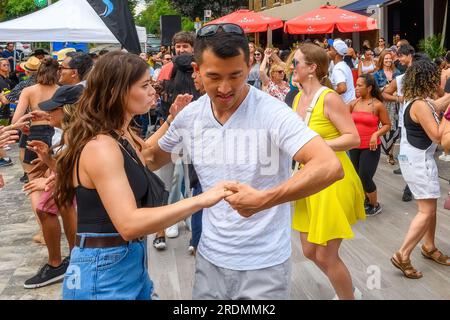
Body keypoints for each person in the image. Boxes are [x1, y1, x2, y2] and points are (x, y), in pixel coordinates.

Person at [144, 23, 343, 300]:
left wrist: (265, 199)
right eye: (214, 77)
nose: (225, 88)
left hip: (264, 265)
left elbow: (329, 166)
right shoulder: (190, 116)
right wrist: (168, 119)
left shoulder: (272, 112)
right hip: (210, 259)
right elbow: (151, 159)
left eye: (236, 75)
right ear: (196, 70)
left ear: (249, 65)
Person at [53, 51, 232, 300]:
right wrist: (202, 200)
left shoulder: (119, 132)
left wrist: (171, 120)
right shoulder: (101, 146)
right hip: (103, 271)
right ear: (117, 91)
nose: (153, 91)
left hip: (125, 261)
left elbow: (144, 156)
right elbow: (129, 224)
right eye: (145, 85)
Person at [291, 43, 365, 300]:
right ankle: (347, 289)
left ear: (312, 68)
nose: (292, 68)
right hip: (308, 179)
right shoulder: (299, 97)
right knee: (310, 251)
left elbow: (353, 138)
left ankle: (348, 297)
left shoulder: (329, 97)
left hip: (333, 179)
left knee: (325, 254)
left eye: (296, 63)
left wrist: (317, 146)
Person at [391, 56, 450, 279]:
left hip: (412, 158)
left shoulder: (415, 100)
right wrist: (448, 116)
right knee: (426, 211)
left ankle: (429, 246)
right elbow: (437, 135)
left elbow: (436, 104)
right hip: (419, 162)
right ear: (429, 79)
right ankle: (402, 254)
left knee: (429, 205)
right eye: (436, 78)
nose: (439, 82)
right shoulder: (420, 105)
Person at [22, 85, 83, 289]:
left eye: (53, 109)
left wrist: (49, 165)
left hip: (67, 182)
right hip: (63, 180)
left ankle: (58, 263)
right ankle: (70, 259)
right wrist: (48, 160)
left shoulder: (77, 135)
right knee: (62, 208)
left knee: (46, 209)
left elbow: (72, 170)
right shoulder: (72, 130)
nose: (49, 113)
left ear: (67, 110)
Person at [349, 74, 391, 216]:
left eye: (360, 85)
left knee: (365, 177)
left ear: (369, 88)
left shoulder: (377, 105)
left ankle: (375, 205)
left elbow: (387, 125)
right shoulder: (353, 103)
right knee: (356, 177)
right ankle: (365, 200)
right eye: (356, 84)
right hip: (354, 145)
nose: (357, 87)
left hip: (371, 147)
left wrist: (375, 134)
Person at [382, 44, 416, 202]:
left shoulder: (421, 77)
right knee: (406, 154)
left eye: (401, 57)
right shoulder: (400, 79)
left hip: (421, 120)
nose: (399, 60)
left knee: (417, 155)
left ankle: (411, 184)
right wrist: (399, 98)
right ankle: (409, 186)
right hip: (406, 121)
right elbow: (385, 93)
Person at [374, 50, 402, 164]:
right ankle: (379, 149)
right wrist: (384, 89)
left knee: (394, 128)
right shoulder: (377, 74)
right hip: (383, 105)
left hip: (396, 105)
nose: (388, 60)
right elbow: (375, 90)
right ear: (382, 60)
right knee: (383, 127)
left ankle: (390, 153)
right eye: (386, 58)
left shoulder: (397, 72)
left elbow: (401, 88)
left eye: (390, 58)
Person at [329, 39, 356, 104]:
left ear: (336, 52)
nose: (329, 52)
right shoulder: (344, 65)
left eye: (330, 49)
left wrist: (330, 94)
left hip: (345, 105)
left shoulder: (338, 69)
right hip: (350, 103)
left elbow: (342, 88)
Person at [0, 58, 14, 167]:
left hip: (5, 110)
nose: (7, 67)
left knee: (3, 131)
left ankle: (5, 158)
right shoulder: (1, 80)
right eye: (4, 65)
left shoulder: (7, 80)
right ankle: (4, 157)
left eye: (8, 65)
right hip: (1, 110)